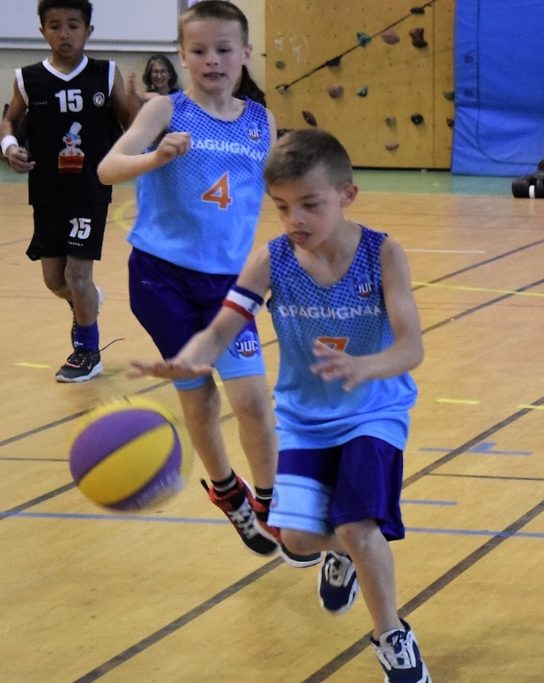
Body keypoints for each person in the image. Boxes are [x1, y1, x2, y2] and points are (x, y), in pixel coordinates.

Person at [131, 128, 430, 682]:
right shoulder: (272, 261)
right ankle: (345, 554)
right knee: (296, 540)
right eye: (282, 207)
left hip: (373, 411)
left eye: (310, 205)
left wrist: (365, 367)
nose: (295, 219)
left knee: (358, 526)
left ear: (347, 195)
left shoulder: (382, 254)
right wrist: (187, 360)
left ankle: (391, 634)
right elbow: (220, 330)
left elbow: (411, 348)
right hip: (304, 418)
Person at [97, 0, 316, 566]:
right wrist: (153, 157)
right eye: (199, 50)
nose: (212, 60)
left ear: (245, 53)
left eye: (223, 49)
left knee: (253, 401)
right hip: (161, 278)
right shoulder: (165, 110)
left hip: (228, 284)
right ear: (182, 55)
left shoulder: (260, 121)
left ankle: (270, 504)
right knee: (199, 394)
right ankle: (226, 490)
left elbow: (269, 192)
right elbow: (108, 167)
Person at [0, 0, 132, 382]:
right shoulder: (27, 78)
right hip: (47, 190)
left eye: (73, 25)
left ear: (88, 30)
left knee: (77, 275)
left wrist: (142, 123)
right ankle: (86, 301)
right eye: (55, 26)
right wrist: (9, 147)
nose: (64, 34)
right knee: (55, 280)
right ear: (42, 31)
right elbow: (10, 120)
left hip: (89, 188)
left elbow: (130, 121)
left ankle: (87, 351)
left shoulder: (106, 74)